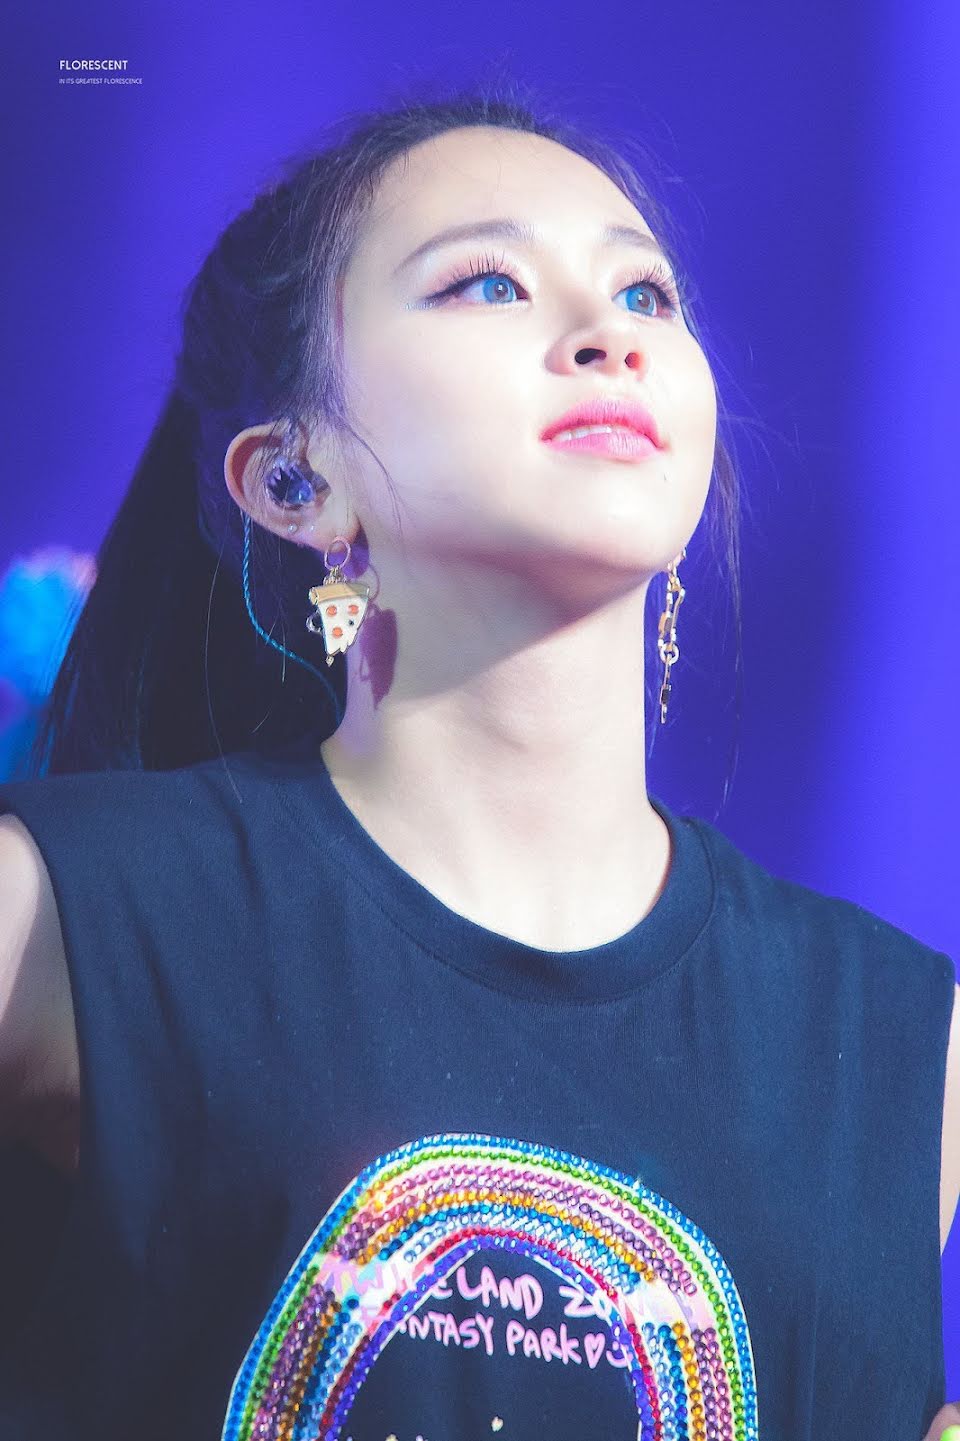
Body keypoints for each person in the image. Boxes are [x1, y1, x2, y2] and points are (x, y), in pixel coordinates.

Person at [0, 82, 957, 1441]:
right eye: (488, 284)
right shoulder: (73, 913)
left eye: (647, 294)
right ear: (294, 480)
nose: (609, 336)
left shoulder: (901, 1050)